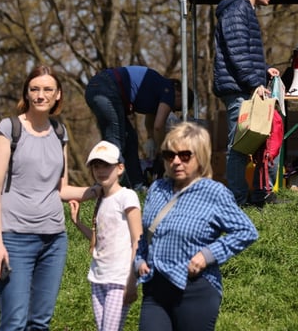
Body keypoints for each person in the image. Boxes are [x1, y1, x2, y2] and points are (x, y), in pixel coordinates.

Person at [0, 64, 100, 331]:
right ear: (26, 93)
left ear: (58, 94)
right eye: (34, 89)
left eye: (48, 89)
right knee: (13, 322)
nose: (41, 95)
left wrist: (98, 190)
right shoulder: (9, 129)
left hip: (54, 241)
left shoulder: (60, 133)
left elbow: (60, 189)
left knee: (40, 322)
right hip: (14, 239)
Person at [135, 122, 258, 331]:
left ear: (200, 157)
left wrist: (206, 255)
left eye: (185, 155)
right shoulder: (157, 189)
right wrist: (139, 261)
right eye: (169, 155)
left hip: (194, 289)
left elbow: (246, 231)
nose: (176, 161)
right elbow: (145, 234)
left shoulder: (214, 193)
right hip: (155, 288)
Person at [212, 0, 281, 206]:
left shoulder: (244, 10)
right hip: (239, 90)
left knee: (259, 142)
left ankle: (262, 195)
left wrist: (263, 70)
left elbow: (243, 51)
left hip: (244, 86)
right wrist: (254, 83)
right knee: (239, 147)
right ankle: (237, 200)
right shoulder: (238, 9)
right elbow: (237, 52)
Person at [69, 141, 142, 331]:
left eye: (106, 165)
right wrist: (77, 223)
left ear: (120, 168)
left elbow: (137, 240)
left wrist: (132, 281)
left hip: (119, 279)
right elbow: (99, 241)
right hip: (97, 277)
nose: (100, 171)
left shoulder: (128, 197)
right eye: (96, 166)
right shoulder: (101, 199)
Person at [85, 66, 178, 190]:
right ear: (179, 94)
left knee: (130, 139)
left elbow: (151, 124)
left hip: (100, 87)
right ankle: (107, 188)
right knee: (116, 143)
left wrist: (152, 140)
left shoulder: (157, 90)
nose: (172, 110)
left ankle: (138, 186)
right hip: (106, 88)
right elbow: (158, 126)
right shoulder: (169, 90)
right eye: (177, 108)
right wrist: (162, 151)